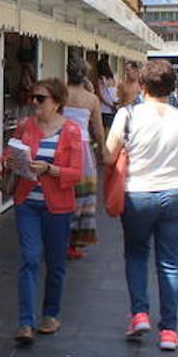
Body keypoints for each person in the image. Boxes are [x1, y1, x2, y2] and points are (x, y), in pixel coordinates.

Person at [105, 59, 178, 352]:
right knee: (170, 262)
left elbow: (109, 156)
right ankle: (169, 331)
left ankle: (139, 314)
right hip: (176, 193)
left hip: (138, 193)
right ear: (172, 87)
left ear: (143, 86)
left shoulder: (127, 115)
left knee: (136, 254)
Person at [2, 78, 82, 346]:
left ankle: (51, 314)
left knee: (56, 263)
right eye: (33, 98)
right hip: (27, 202)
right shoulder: (25, 126)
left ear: (57, 102)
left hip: (57, 206)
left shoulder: (70, 131)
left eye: (41, 98)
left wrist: (49, 169)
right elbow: (7, 153)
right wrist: (11, 160)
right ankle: (26, 322)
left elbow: (76, 173)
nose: (34, 103)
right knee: (30, 258)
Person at [64, 62, 105, 257]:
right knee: (83, 195)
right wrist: (102, 151)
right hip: (82, 149)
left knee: (61, 191)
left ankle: (57, 237)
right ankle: (73, 243)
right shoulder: (92, 99)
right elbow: (98, 130)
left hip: (60, 146)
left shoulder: (60, 94)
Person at [97, 59, 119, 131]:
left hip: (104, 108)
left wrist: (109, 105)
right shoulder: (114, 77)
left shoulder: (101, 79)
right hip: (114, 106)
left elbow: (101, 95)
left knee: (105, 128)